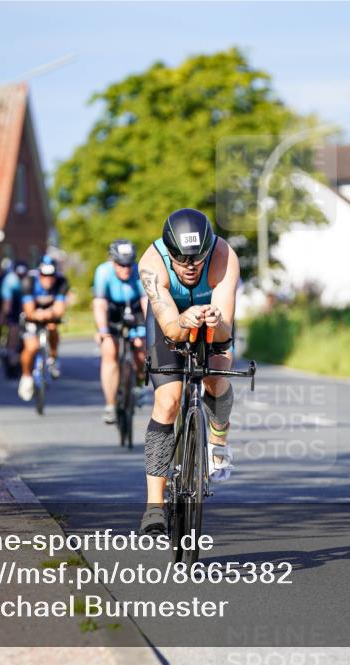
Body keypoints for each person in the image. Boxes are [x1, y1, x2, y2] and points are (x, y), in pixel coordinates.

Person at [138, 208, 240, 535]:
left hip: (212, 322)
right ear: (169, 253)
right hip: (170, 323)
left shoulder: (224, 255)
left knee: (218, 375)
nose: (191, 267)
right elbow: (168, 325)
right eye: (182, 260)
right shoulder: (151, 265)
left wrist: (214, 320)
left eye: (198, 259)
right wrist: (184, 319)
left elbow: (224, 332)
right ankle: (154, 507)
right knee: (168, 401)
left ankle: (219, 441)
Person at [93, 239, 148, 424]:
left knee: (142, 350)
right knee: (110, 352)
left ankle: (139, 385)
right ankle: (110, 405)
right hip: (112, 312)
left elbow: (146, 302)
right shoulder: (103, 272)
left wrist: (149, 330)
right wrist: (103, 331)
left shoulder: (139, 271)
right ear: (113, 262)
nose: (125, 268)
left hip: (134, 310)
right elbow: (99, 304)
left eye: (129, 264)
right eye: (121, 264)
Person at [17, 255, 68, 401]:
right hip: (32, 316)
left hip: (49, 315)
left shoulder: (61, 282)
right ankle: (26, 376)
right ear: (39, 273)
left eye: (51, 275)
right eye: (44, 275)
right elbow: (29, 311)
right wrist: (37, 315)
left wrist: (49, 314)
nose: (48, 279)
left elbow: (59, 309)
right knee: (31, 347)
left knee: (53, 327)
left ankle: (53, 358)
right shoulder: (29, 281)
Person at [0, 260, 28, 375]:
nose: (21, 278)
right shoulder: (10, 281)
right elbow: (7, 303)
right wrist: (5, 316)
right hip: (14, 307)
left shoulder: (30, 279)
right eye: (19, 275)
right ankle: (11, 356)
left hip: (26, 305)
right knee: (14, 330)